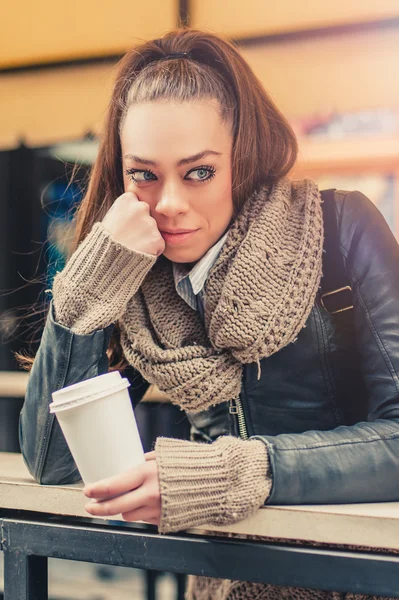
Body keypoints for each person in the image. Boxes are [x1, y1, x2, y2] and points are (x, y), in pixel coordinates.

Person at [18, 27, 399, 600]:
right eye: (143, 174)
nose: (169, 204)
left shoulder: (341, 230)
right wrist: (90, 283)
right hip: (219, 581)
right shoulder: (136, 278)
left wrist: (226, 476)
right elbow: (54, 461)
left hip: (355, 579)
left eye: (199, 171)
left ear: (242, 159)